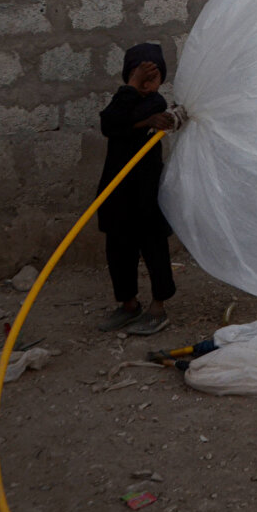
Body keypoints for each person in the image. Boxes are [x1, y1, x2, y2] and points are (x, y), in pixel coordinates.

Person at [95, 43, 177, 335]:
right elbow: (110, 124)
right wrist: (131, 87)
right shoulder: (124, 99)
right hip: (116, 190)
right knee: (118, 249)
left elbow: (130, 120)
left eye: (151, 78)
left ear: (161, 80)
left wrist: (145, 120)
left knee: (153, 247)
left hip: (146, 192)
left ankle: (158, 308)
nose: (144, 84)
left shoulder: (156, 103)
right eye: (138, 77)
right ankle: (128, 304)